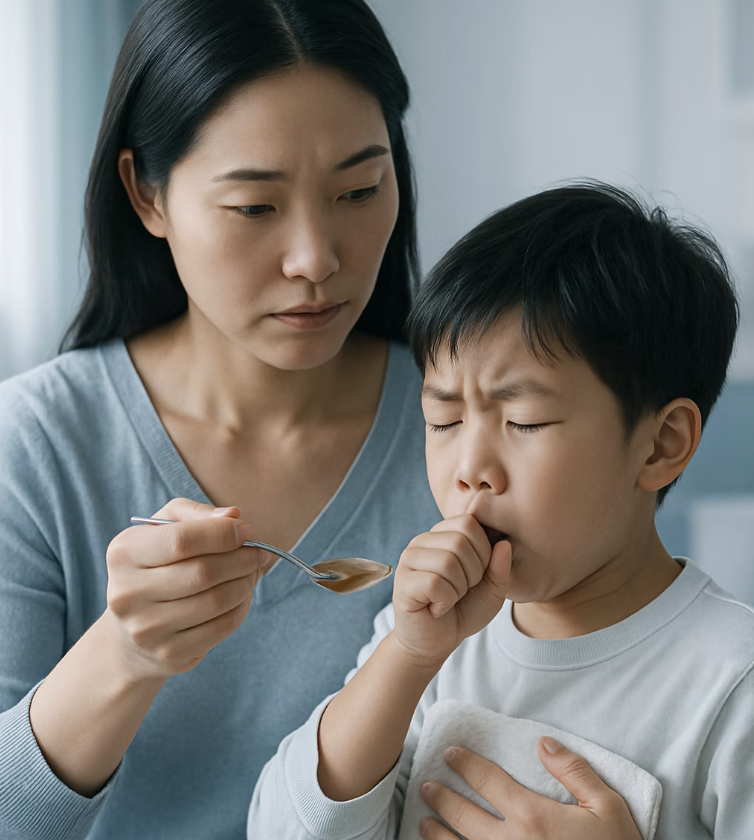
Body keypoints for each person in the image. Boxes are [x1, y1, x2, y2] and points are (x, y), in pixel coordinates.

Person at [0, 1, 443, 837]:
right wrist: (123, 656)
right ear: (146, 194)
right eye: (254, 207)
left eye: (359, 190)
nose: (316, 258)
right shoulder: (34, 446)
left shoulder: (477, 432)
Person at [248, 183, 754, 839]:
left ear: (661, 444)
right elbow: (279, 830)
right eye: (444, 418)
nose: (468, 469)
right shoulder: (430, 643)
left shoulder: (732, 683)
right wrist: (405, 656)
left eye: (525, 419)